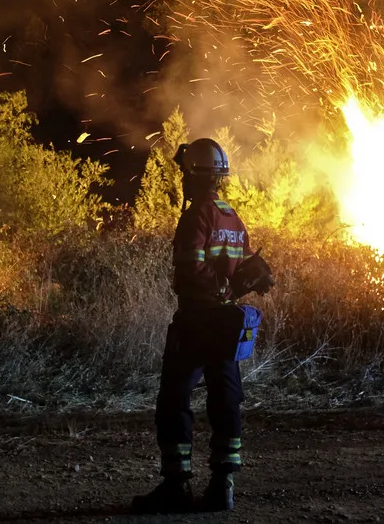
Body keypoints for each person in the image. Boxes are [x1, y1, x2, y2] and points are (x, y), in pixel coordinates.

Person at [132, 137, 254, 514]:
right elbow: (247, 270)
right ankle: (223, 484)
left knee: (173, 399)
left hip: (197, 320)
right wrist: (230, 289)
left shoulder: (196, 215)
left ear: (192, 174)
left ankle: (176, 486)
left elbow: (189, 267)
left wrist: (211, 288)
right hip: (226, 323)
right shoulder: (233, 217)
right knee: (225, 399)